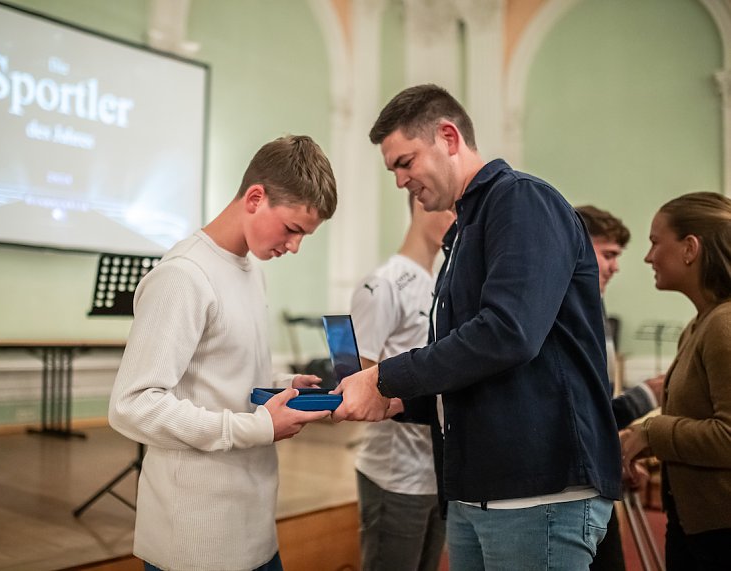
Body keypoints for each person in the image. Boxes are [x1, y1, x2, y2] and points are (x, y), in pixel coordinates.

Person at [333, 84, 622, 570]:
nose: (401, 181)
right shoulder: (467, 230)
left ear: (448, 136)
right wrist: (397, 400)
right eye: (394, 170)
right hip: (476, 490)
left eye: (405, 162)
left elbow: (508, 332)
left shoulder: (523, 201)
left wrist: (385, 377)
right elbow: (465, 367)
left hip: (537, 491)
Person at [108, 135, 338, 571]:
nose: (295, 247)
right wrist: (257, 428)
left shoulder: (250, 269)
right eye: (292, 229)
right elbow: (131, 406)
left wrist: (284, 390)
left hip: (253, 525)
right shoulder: (184, 276)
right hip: (196, 541)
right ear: (255, 198)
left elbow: (224, 382)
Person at [620, 192, 731, 571]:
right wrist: (638, 443)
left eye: (654, 242)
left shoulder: (723, 325)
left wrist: (652, 434)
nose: (649, 256)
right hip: (698, 526)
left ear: (690, 248)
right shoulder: (700, 324)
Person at [352, 196, 455, 571]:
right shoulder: (383, 284)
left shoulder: (446, 282)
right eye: (449, 207)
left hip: (438, 470)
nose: (457, 218)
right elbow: (356, 382)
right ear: (420, 201)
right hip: (395, 473)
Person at [576, 205, 664, 571]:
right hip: (575, 483)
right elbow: (581, 411)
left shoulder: (596, 307)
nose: (615, 267)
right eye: (608, 254)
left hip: (596, 470)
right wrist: (645, 396)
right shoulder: (569, 313)